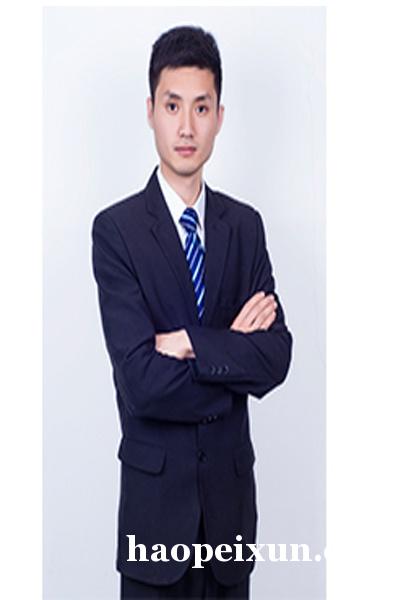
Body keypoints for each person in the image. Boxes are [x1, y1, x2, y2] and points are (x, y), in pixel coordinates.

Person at [91, 25, 292, 600]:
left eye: (201, 108)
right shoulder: (117, 232)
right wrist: (231, 357)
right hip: (155, 523)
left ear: (219, 117)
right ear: (150, 111)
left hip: (230, 522)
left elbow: (275, 358)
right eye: (172, 106)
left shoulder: (244, 227)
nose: (186, 127)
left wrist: (187, 343)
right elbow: (142, 383)